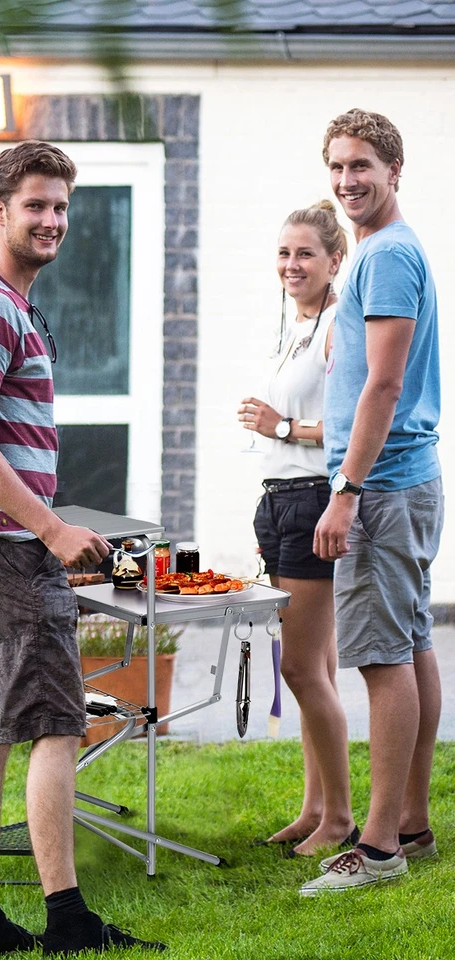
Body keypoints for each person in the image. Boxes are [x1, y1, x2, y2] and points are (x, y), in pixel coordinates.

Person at [0, 140, 166, 956]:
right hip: (1, 549)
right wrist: (53, 530)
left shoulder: (3, 305)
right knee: (58, 725)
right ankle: (67, 920)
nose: (52, 220)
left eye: (61, 207)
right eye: (35, 205)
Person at [300, 109, 443, 895]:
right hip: (403, 481)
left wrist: (346, 493)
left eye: (362, 165)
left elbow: (384, 385)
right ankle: (411, 824)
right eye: (337, 166)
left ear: (394, 170)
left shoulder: (386, 255)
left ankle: (381, 847)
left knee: (385, 659)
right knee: (412, 645)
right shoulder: (383, 252)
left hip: (383, 487)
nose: (347, 179)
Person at [238, 201, 356, 857]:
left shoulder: (339, 325)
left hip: (313, 503)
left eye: (305, 253)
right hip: (280, 502)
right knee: (315, 670)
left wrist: (279, 426)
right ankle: (315, 808)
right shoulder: (298, 326)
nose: (291, 264)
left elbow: (350, 427)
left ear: (335, 260)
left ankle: (339, 818)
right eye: (284, 253)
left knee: (303, 670)